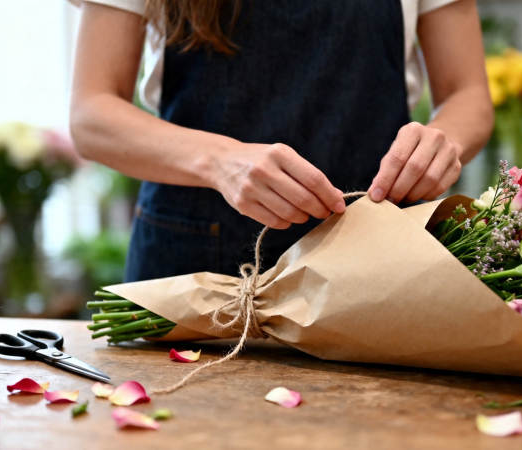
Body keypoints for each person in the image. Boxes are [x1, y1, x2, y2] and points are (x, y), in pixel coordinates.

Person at [69, 0, 493, 281]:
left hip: (380, 262)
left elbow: (467, 94)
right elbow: (92, 113)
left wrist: (443, 143)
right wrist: (219, 161)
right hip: (196, 264)